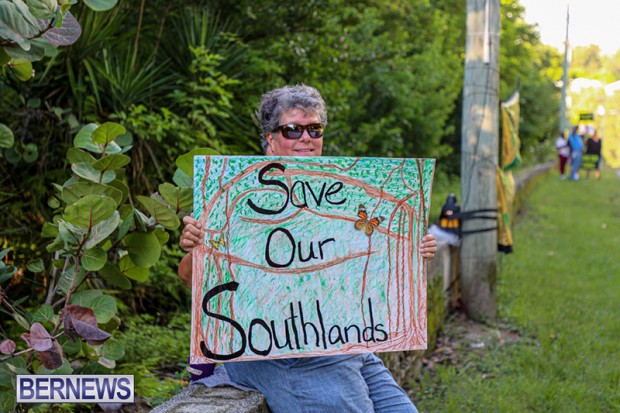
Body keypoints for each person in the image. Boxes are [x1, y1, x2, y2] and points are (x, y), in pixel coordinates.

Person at [178, 85, 437, 413]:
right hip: (277, 355)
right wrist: (195, 247)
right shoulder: (238, 194)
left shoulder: (341, 193)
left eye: (314, 129)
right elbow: (189, 278)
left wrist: (412, 249)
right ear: (271, 139)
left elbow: (372, 269)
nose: (306, 138)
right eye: (293, 129)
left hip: (343, 344)